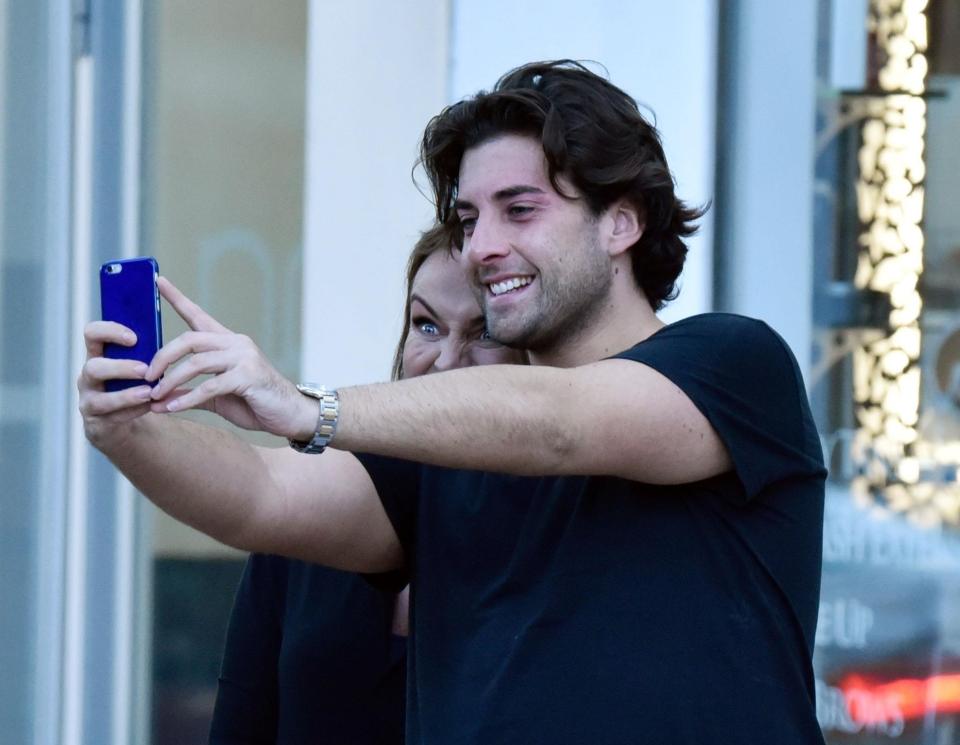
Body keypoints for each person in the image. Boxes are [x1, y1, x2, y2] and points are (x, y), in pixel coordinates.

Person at [79, 60, 827, 744]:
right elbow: (263, 495)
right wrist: (129, 428)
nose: (480, 247)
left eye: (520, 209)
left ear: (622, 221)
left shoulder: (733, 362)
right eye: (470, 219)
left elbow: (562, 424)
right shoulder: (446, 446)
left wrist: (308, 407)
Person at [208, 224, 525, 745]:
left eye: (484, 331)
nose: (445, 360)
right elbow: (241, 724)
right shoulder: (310, 523)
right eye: (426, 326)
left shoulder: (553, 535)